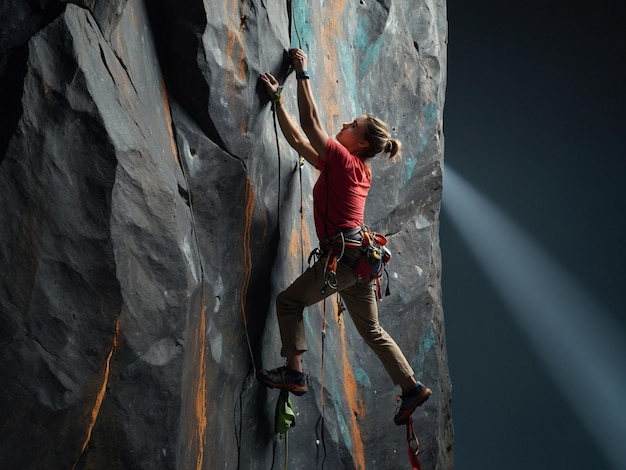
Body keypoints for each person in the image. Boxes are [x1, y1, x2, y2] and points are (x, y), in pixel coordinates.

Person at [257, 48, 431, 425]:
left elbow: (311, 121)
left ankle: (295, 372)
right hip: (359, 261)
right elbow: (300, 142)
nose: (345, 124)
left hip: (346, 258)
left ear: (361, 145)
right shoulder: (352, 168)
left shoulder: (346, 161)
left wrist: (302, 74)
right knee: (372, 330)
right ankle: (412, 387)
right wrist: (276, 101)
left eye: (352, 125)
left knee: (288, 303)